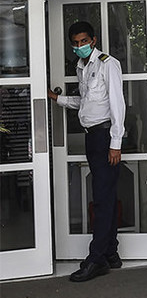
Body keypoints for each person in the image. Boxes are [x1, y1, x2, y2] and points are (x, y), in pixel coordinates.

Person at [48, 21, 126, 283]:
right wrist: (57, 99)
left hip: (105, 138)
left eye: (84, 41)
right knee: (106, 195)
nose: (80, 46)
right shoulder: (82, 66)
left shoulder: (107, 64)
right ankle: (111, 253)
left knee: (102, 199)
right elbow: (86, 102)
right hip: (93, 137)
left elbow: (117, 103)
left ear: (93, 40)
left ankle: (97, 259)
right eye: (75, 43)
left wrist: (115, 143)